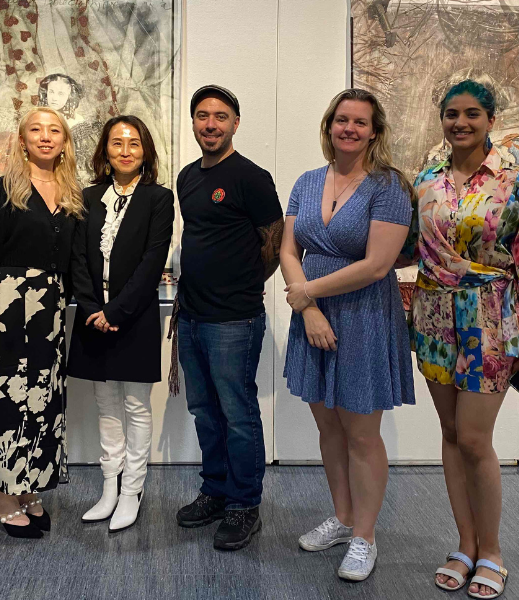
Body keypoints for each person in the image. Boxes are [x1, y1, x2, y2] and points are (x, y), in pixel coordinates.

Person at [406, 79, 519, 599]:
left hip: (491, 320)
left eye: (472, 113)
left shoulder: (516, 181)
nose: (460, 122)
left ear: (490, 119)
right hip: (433, 318)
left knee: (474, 439)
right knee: (449, 435)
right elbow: (409, 248)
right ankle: (465, 543)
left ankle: (492, 551)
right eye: (451, 113)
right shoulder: (425, 180)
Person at [280, 88, 415, 581]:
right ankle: (342, 518)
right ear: (329, 125)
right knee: (328, 428)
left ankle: (365, 536)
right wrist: (309, 307)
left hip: (363, 315)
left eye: (360, 122)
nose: (349, 129)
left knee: (361, 434)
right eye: (342, 120)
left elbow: (378, 265)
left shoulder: (389, 187)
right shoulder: (307, 180)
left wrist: (305, 292)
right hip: (311, 313)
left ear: (374, 131)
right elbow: (288, 249)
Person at [0, 106, 86, 539]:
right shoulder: (3, 190)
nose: (46, 137)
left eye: (55, 130)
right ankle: (3, 494)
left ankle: (29, 485)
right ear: (22, 141)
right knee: (9, 399)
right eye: (36, 130)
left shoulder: (73, 193)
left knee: (44, 398)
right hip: (10, 303)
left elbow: (74, 261)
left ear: (64, 142)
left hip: (50, 309)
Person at [172, 85, 284, 551]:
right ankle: (215, 491)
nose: (211, 124)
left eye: (220, 116)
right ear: (194, 123)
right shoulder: (187, 178)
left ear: (235, 123)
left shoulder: (251, 177)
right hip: (192, 316)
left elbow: (275, 243)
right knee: (203, 411)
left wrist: (241, 286)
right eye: (202, 116)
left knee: (238, 414)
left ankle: (243, 505)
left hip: (233, 319)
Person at [68, 115, 174, 531]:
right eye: (117, 143)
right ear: (105, 151)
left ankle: (133, 489)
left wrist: (117, 312)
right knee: (105, 405)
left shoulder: (158, 198)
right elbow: (77, 257)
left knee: (136, 405)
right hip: (93, 316)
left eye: (133, 143)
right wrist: (94, 307)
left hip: (136, 316)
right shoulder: (88, 195)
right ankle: (109, 487)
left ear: (144, 151)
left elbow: (153, 260)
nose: (125, 150)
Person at [39, 73, 103, 183]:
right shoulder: (38, 119)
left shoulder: (77, 123)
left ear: (69, 95)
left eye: (60, 94)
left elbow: (84, 162)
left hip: (72, 176)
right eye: (51, 92)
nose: (54, 98)